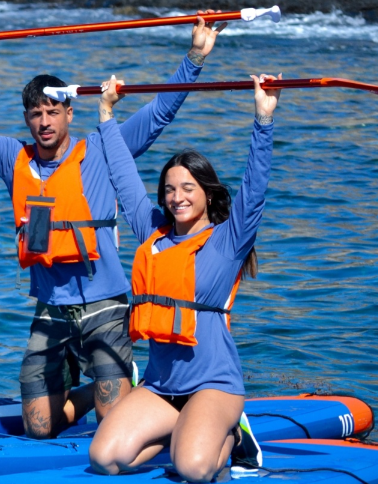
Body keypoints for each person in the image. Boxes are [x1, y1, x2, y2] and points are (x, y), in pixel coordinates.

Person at [0, 14, 225, 439]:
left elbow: (158, 113)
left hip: (105, 308)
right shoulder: (11, 158)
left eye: (53, 111)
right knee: (39, 427)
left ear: (70, 113)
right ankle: (94, 392)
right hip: (51, 310)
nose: (45, 121)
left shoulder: (102, 151)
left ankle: (130, 391)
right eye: (36, 114)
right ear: (27, 118)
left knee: (115, 426)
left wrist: (195, 57)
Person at [88, 73, 279, 480]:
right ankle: (182, 432)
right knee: (104, 459)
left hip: (214, 385)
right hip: (161, 386)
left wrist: (263, 118)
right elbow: (123, 178)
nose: (177, 197)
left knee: (192, 469)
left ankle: (231, 436)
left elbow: (255, 186)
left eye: (188, 187)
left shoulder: (228, 240)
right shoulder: (153, 235)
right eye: (170, 190)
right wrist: (106, 115)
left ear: (207, 193)